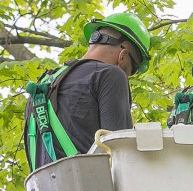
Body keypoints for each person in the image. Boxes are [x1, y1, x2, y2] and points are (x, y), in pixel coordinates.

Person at [22, 12, 151, 171]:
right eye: (127, 71)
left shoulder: (42, 87)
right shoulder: (110, 75)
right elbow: (121, 152)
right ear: (123, 56)